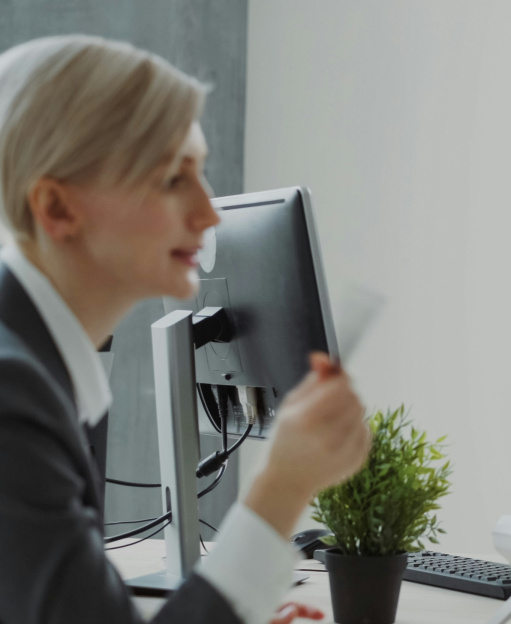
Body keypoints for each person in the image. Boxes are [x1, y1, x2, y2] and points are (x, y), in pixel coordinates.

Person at [0, 36, 371, 623]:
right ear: (57, 208)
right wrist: (283, 485)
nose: (209, 212)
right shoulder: (11, 395)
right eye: (172, 179)